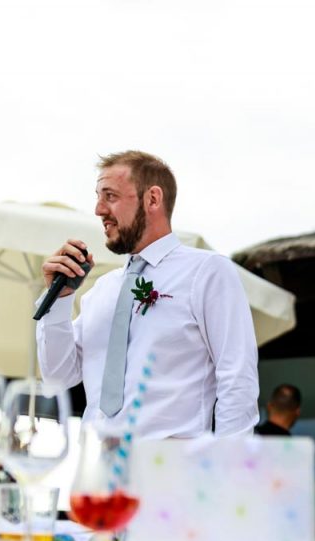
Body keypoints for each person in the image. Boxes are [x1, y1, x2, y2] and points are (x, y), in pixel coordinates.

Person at [37, 151, 259, 438]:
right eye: (98, 197)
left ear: (153, 199)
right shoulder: (102, 289)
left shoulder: (207, 272)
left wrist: (227, 471)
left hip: (171, 469)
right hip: (96, 468)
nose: (98, 210)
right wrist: (59, 300)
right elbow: (57, 376)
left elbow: (237, 378)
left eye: (110, 196)